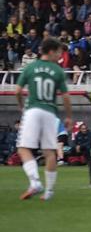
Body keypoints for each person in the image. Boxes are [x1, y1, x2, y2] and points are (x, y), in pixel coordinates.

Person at [15, 38, 73, 201]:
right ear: (51, 51)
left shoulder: (30, 67)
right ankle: (49, 192)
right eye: (59, 52)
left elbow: (18, 91)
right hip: (50, 112)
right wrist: (69, 116)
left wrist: (21, 106)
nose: (60, 56)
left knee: (23, 148)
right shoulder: (58, 70)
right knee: (49, 152)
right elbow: (66, 96)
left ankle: (35, 182)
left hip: (33, 110)